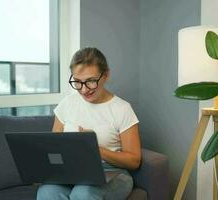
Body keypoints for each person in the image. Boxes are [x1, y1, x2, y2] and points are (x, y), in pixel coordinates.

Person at [37, 47, 141, 200]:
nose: (84, 89)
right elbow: (54, 147)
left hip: (111, 173)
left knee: (84, 193)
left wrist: (95, 149)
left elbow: (134, 161)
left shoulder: (122, 109)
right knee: (47, 191)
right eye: (78, 82)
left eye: (91, 81)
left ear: (105, 75)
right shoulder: (67, 103)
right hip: (72, 171)